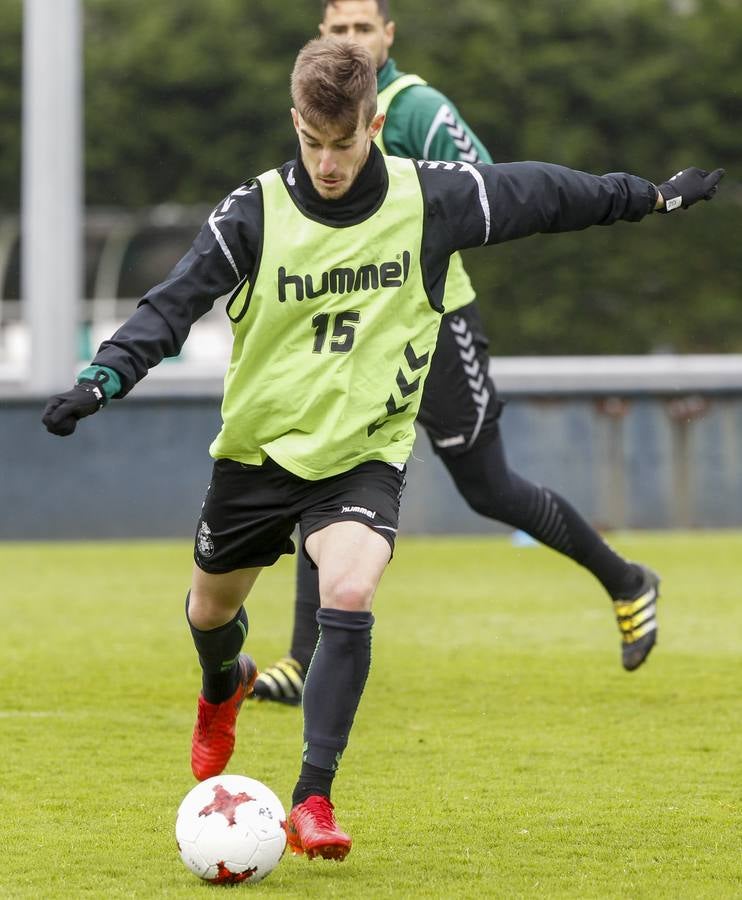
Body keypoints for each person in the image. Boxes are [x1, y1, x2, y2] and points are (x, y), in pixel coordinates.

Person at [42, 37, 723, 862]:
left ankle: (313, 799)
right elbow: (172, 304)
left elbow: (539, 194)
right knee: (210, 611)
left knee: (354, 589)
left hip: (363, 455)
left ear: (373, 123)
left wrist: (647, 198)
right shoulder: (254, 211)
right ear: (296, 122)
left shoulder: (425, 199)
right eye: (312, 143)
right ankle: (221, 687)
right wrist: (105, 375)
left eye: (345, 142)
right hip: (258, 457)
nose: (328, 163)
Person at [253, 0, 664, 706]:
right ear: (321, 36)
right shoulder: (322, 109)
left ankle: (626, 579)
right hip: (359, 326)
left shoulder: (416, 107)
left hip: (434, 325)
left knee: (489, 488)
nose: (351, 39)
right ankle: (299, 660)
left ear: (388, 35)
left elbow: (491, 192)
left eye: (362, 28)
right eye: (338, 29)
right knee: (319, 472)